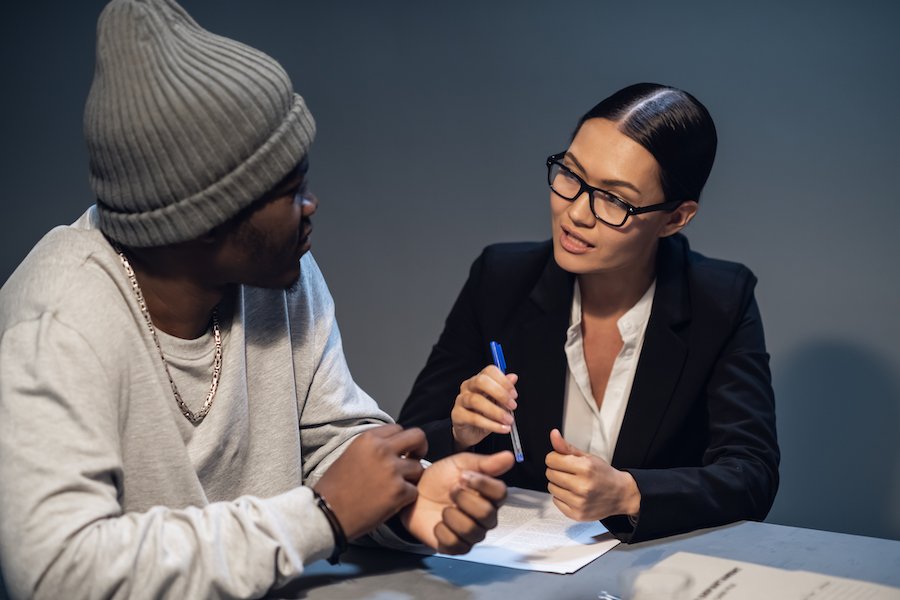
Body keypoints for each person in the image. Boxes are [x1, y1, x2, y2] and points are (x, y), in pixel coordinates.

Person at [0, 1, 515, 598]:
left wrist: (403, 501)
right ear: (204, 219)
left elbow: (329, 445)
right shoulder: (58, 323)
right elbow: (57, 572)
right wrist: (321, 516)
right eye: (291, 191)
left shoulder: (281, 273)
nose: (312, 206)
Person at [398, 83, 780, 544]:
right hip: (516, 566)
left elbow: (751, 475)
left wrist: (628, 492)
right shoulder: (501, 278)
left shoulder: (720, 300)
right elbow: (408, 442)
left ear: (675, 218)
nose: (576, 213)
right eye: (570, 175)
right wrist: (459, 433)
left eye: (615, 200)